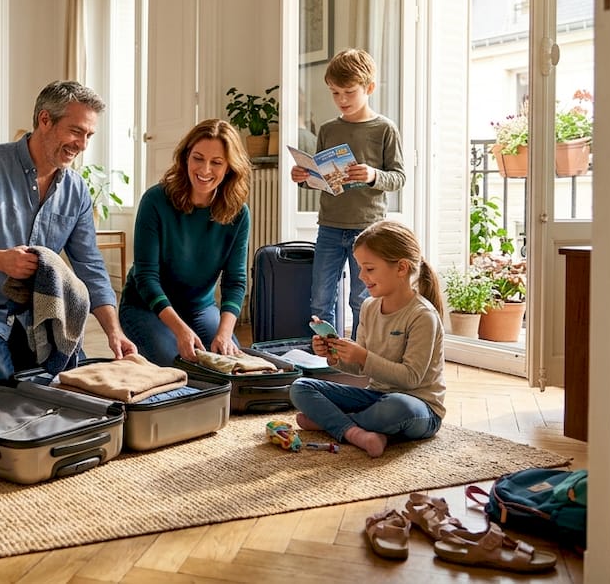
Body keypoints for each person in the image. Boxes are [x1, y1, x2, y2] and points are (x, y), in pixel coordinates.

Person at [0, 80, 136, 384]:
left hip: (37, 315)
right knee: (0, 383)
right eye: (75, 131)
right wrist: (0, 260)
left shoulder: (77, 190)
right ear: (45, 120)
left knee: (60, 382)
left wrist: (114, 332)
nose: (82, 145)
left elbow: (90, 265)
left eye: (89, 135)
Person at [288, 220, 445, 458]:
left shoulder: (423, 316)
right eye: (360, 268)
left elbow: (411, 379)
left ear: (401, 268)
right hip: (376, 398)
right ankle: (358, 432)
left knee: (397, 408)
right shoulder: (370, 307)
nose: (361, 276)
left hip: (418, 407)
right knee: (300, 387)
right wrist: (334, 355)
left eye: (369, 269)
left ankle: (334, 423)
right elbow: (360, 368)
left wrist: (363, 356)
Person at [291, 48, 406, 338]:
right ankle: (326, 353)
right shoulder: (328, 129)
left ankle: (358, 353)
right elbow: (321, 177)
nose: (341, 100)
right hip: (329, 226)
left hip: (368, 230)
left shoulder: (384, 129)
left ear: (369, 88)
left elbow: (399, 177)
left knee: (362, 299)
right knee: (320, 298)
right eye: (335, 93)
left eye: (349, 92)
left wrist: (372, 175)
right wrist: (303, 178)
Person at [118, 119, 252, 366]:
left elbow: (235, 281)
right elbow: (146, 278)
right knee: (179, 367)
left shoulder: (238, 213)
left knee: (229, 364)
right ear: (185, 157)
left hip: (200, 309)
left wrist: (223, 333)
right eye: (198, 158)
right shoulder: (155, 201)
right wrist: (180, 330)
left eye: (217, 162)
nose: (205, 169)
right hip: (145, 308)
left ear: (229, 168)